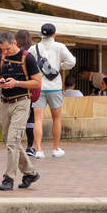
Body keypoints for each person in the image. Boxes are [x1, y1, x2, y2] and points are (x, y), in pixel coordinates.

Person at [0, 31, 40, 191]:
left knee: (13, 141)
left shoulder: (28, 58)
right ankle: (30, 173)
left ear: (14, 43)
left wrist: (17, 83)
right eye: (2, 49)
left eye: (7, 49)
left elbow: (37, 82)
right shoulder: (0, 59)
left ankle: (9, 178)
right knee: (9, 140)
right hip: (5, 103)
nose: (5, 53)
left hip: (22, 102)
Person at [30, 22, 77, 159]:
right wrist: (60, 66)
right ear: (54, 34)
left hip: (38, 87)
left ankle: (38, 150)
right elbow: (72, 62)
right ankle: (55, 148)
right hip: (55, 87)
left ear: (41, 34)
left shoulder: (34, 48)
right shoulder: (59, 47)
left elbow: (29, 64)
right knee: (57, 118)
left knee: (38, 119)